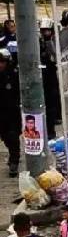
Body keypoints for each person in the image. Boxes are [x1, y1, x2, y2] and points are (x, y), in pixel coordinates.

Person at [0, 48, 20, 177]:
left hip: (12, 113)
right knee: (6, 138)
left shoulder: (13, 74)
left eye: (2, 62)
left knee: (12, 138)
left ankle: (14, 161)